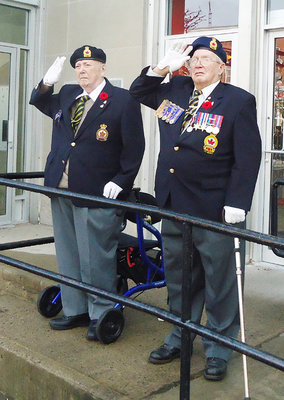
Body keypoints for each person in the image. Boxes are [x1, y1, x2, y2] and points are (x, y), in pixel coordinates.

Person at [130, 37, 261, 380]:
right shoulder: (174, 89)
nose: (199, 63)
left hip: (214, 208)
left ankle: (218, 348)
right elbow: (138, 91)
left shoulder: (238, 101)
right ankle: (180, 334)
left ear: (222, 67)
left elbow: (247, 158)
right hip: (175, 204)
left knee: (219, 283)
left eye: (208, 58)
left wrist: (237, 202)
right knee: (180, 278)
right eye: (195, 58)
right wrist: (161, 68)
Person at [30, 45, 145, 341]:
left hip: (97, 192)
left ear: (103, 68)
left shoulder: (122, 101)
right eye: (78, 65)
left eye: (88, 65)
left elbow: (135, 149)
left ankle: (101, 313)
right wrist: (47, 82)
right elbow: (38, 100)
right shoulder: (68, 94)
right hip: (62, 188)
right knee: (69, 255)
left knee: (96, 258)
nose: (82, 70)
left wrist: (122, 181)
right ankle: (75, 309)